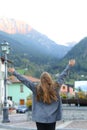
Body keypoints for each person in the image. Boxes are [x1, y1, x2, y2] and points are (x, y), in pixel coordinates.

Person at [8, 59, 75, 130]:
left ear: (40, 79)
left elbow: (25, 80)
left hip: (39, 118)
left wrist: (14, 72)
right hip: (51, 118)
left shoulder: (36, 88)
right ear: (50, 79)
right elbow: (62, 76)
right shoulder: (55, 87)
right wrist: (69, 66)